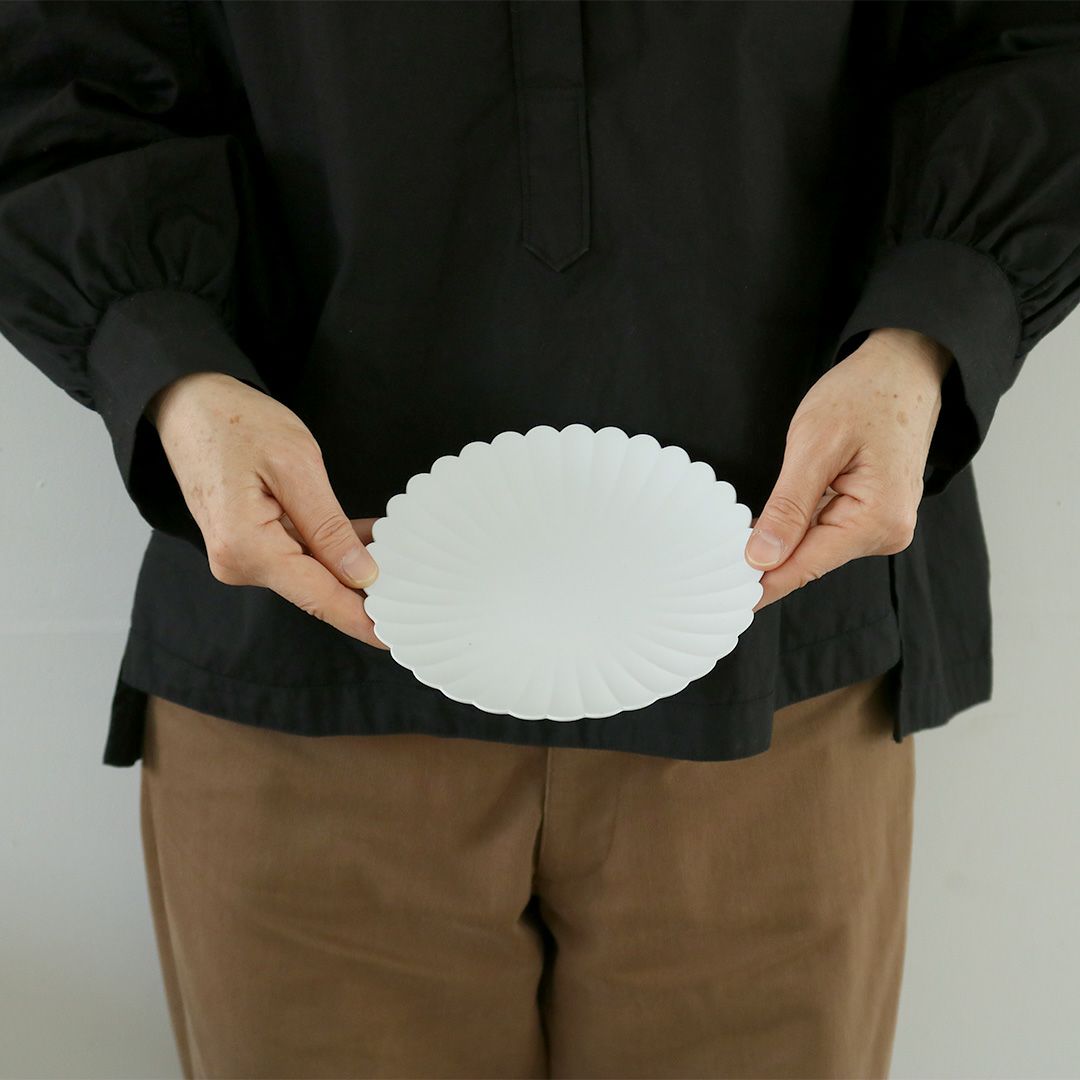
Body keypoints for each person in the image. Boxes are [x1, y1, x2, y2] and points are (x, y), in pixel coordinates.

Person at [2, 1, 1078, 1076]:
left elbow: (1029, 36)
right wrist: (170, 368)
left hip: (782, 669)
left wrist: (928, 332)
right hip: (292, 670)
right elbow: (55, 60)